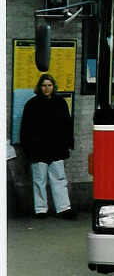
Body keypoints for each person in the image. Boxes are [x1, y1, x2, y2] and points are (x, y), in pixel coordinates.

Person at [19, 73, 76, 219]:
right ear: (40, 87)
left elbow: (67, 125)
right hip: (37, 148)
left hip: (57, 147)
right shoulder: (31, 104)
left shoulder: (60, 103)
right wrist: (27, 147)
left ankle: (63, 208)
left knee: (59, 178)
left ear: (53, 87)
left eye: (49, 85)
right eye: (44, 85)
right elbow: (25, 128)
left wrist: (69, 142)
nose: (46, 88)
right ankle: (40, 209)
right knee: (39, 180)